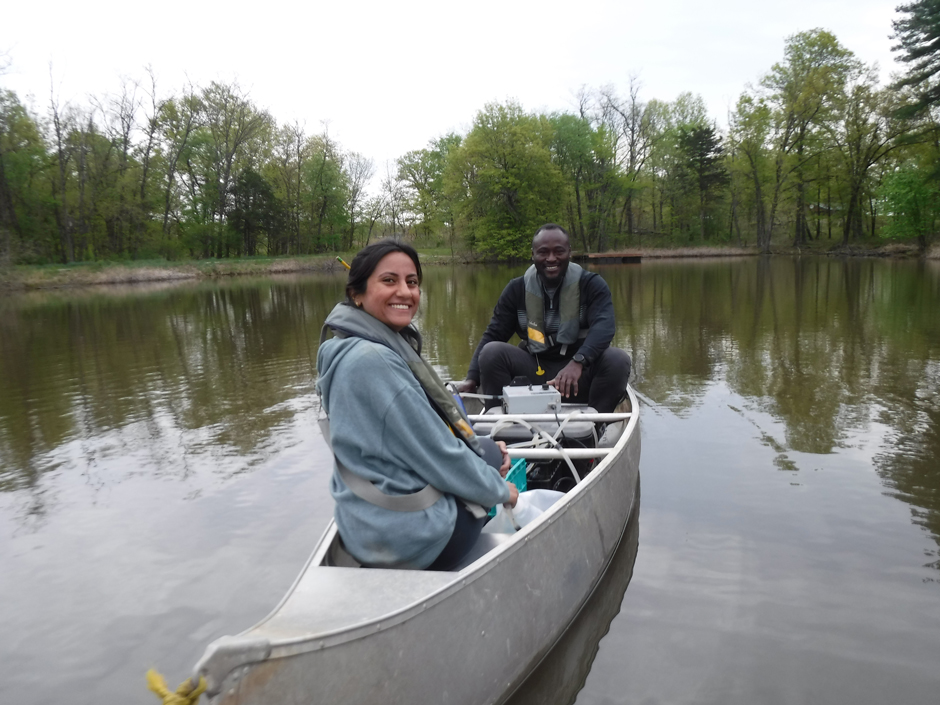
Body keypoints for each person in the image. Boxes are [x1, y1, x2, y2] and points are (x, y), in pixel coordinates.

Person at [317, 238, 519, 571]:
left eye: (412, 283)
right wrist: (502, 491)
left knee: (485, 449)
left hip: (364, 525)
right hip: (413, 540)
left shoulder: (339, 347)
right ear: (357, 293)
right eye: (388, 280)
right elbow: (439, 453)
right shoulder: (374, 361)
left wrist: (483, 461)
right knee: (491, 457)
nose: (405, 292)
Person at [456, 224, 631, 412]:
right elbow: (494, 333)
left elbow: (604, 327)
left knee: (617, 359)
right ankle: (504, 428)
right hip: (535, 372)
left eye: (559, 251)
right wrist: (472, 378)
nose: (551, 259)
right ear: (533, 254)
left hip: (578, 376)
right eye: (543, 252)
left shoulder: (592, 285)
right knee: (492, 352)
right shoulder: (516, 290)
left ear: (569, 252)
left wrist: (579, 361)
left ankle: (593, 428)